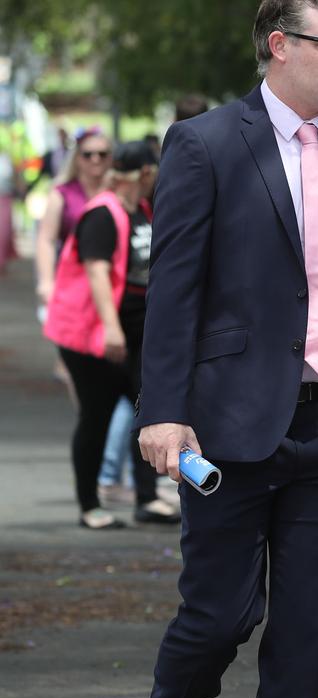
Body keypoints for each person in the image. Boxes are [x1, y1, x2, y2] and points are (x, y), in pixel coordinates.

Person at [137, 1, 318, 698]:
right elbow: (173, 291)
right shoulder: (206, 144)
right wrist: (164, 413)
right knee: (219, 618)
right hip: (230, 427)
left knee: (305, 635)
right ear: (280, 45)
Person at [41, 141, 178, 529]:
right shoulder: (103, 213)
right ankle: (89, 506)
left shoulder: (142, 211)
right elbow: (97, 272)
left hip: (135, 337)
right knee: (96, 417)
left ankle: (147, 499)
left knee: (148, 413)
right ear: (146, 173)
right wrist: (112, 329)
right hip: (94, 339)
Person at [34, 128, 113, 308]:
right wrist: (46, 282)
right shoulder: (62, 193)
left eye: (102, 154)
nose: (95, 159)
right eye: (88, 154)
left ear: (110, 157)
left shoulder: (118, 191)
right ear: (77, 158)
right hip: (73, 282)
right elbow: (46, 239)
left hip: (112, 281)